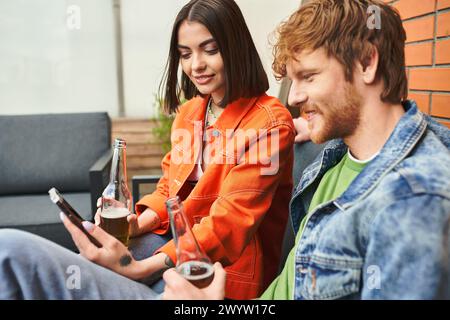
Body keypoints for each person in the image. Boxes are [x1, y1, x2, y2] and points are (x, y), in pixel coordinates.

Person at [0, 0, 295, 300]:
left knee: (19, 258)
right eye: (185, 54)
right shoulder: (190, 113)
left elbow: (229, 223)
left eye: (210, 49)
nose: (196, 66)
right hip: (172, 246)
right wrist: (136, 224)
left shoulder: (269, 124)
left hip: (223, 275)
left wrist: (139, 268)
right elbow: (169, 188)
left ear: (236, 46)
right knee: (89, 261)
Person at [161, 0, 450, 300]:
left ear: (366, 63)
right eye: (292, 80)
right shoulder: (339, 157)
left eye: (309, 77)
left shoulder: (415, 200)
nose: (295, 97)